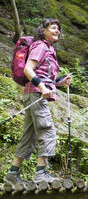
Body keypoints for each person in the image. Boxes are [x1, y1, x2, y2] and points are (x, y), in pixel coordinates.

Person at [4, 18, 72, 185]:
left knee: (30, 135)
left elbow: (44, 75)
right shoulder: (40, 46)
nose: (57, 31)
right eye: (54, 28)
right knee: (47, 131)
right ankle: (41, 173)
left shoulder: (49, 49)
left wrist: (59, 82)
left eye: (58, 29)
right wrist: (42, 88)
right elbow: (28, 69)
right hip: (36, 94)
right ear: (44, 31)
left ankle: (12, 173)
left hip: (34, 93)